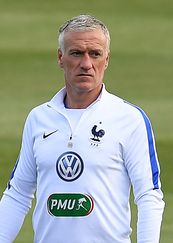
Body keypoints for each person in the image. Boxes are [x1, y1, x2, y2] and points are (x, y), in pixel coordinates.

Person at [0, 15, 164, 243]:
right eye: (76, 53)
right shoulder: (39, 118)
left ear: (106, 59)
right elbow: (18, 194)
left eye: (95, 54)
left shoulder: (129, 119)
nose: (86, 64)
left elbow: (149, 195)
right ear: (60, 57)